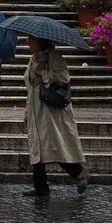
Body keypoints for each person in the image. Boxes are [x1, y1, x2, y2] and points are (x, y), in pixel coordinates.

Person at [24, 36, 87, 196]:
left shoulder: (55, 57)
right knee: (37, 148)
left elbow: (64, 78)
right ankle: (40, 187)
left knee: (55, 144)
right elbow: (31, 87)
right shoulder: (33, 58)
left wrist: (44, 72)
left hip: (50, 112)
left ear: (41, 41)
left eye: (31, 40)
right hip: (35, 111)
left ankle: (78, 173)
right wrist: (27, 111)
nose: (28, 42)